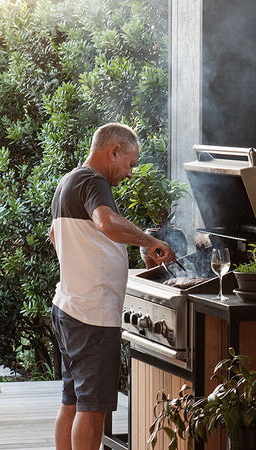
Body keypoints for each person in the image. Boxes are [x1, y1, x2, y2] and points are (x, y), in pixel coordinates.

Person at [49, 123, 175, 449]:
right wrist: (149, 241)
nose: (130, 173)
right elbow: (105, 223)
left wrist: (128, 254)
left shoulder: (68, 181)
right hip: (92, 315)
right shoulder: (93, 180)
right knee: (92, 412)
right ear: (113, 152)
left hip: (68, 307)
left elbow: (59, 238)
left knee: (73, 403)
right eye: (130, 163)